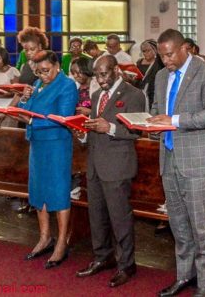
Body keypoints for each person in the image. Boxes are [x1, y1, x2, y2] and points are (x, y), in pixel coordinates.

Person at [147, 29, 205, 297]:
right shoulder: (160, 76)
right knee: (178, 223)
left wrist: (174, 120)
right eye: (162, 56)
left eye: (169, 55)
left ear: (184, 49)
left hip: (197, 159)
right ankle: (184, 275)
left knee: (201, 225)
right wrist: (149, 122)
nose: (165, 60)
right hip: (169, 157)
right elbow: (157, 109)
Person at [0, 50, 77, 268]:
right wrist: (24, 98)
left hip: (57, 144)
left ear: (57, 66)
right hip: (38, 144)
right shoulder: (39, 84)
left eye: (46, 71)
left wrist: (32, 122)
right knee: (39, 189)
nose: (42, 75)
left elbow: (63, 118)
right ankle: (44, 237)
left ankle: (61, 242)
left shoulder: (67, 85)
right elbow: (25, 111)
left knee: (58, 191)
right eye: (39, 72)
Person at [76, 55, 146, 287]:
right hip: (95, 164)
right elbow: (95, 128)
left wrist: (110, 128)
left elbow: (136, 131)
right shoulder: (97, 95)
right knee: (96, 217)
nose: (100, 80)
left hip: (118, 166)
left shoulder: (134, 95)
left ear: (116, 70)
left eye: (104, 74)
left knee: (120, 219)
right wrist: (83, 134)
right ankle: (102, 257)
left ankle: (126, 265)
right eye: (97, 75)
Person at [137, 39, 164, 108]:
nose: (146, 53)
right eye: (144, 51)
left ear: (155, 50)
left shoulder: (159, 63)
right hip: (140, 92)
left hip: (153, 92)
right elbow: (138, 79)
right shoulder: (139, 63)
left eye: (148, 50)